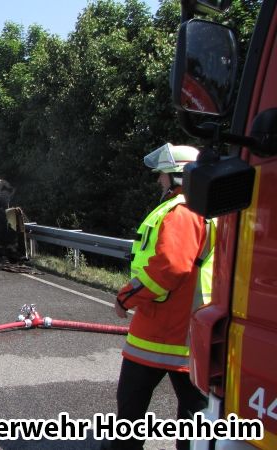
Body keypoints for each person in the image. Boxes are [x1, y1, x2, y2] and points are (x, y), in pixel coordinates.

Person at [105, 143, 215, 450]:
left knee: (131, 405)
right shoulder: (205, 210)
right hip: (190, 330)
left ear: (179, 176)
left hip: (161, 330)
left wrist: (126, 298)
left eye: (162, 174)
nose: (158, 180)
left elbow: (170, 268)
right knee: (195, 413)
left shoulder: (182, 212)